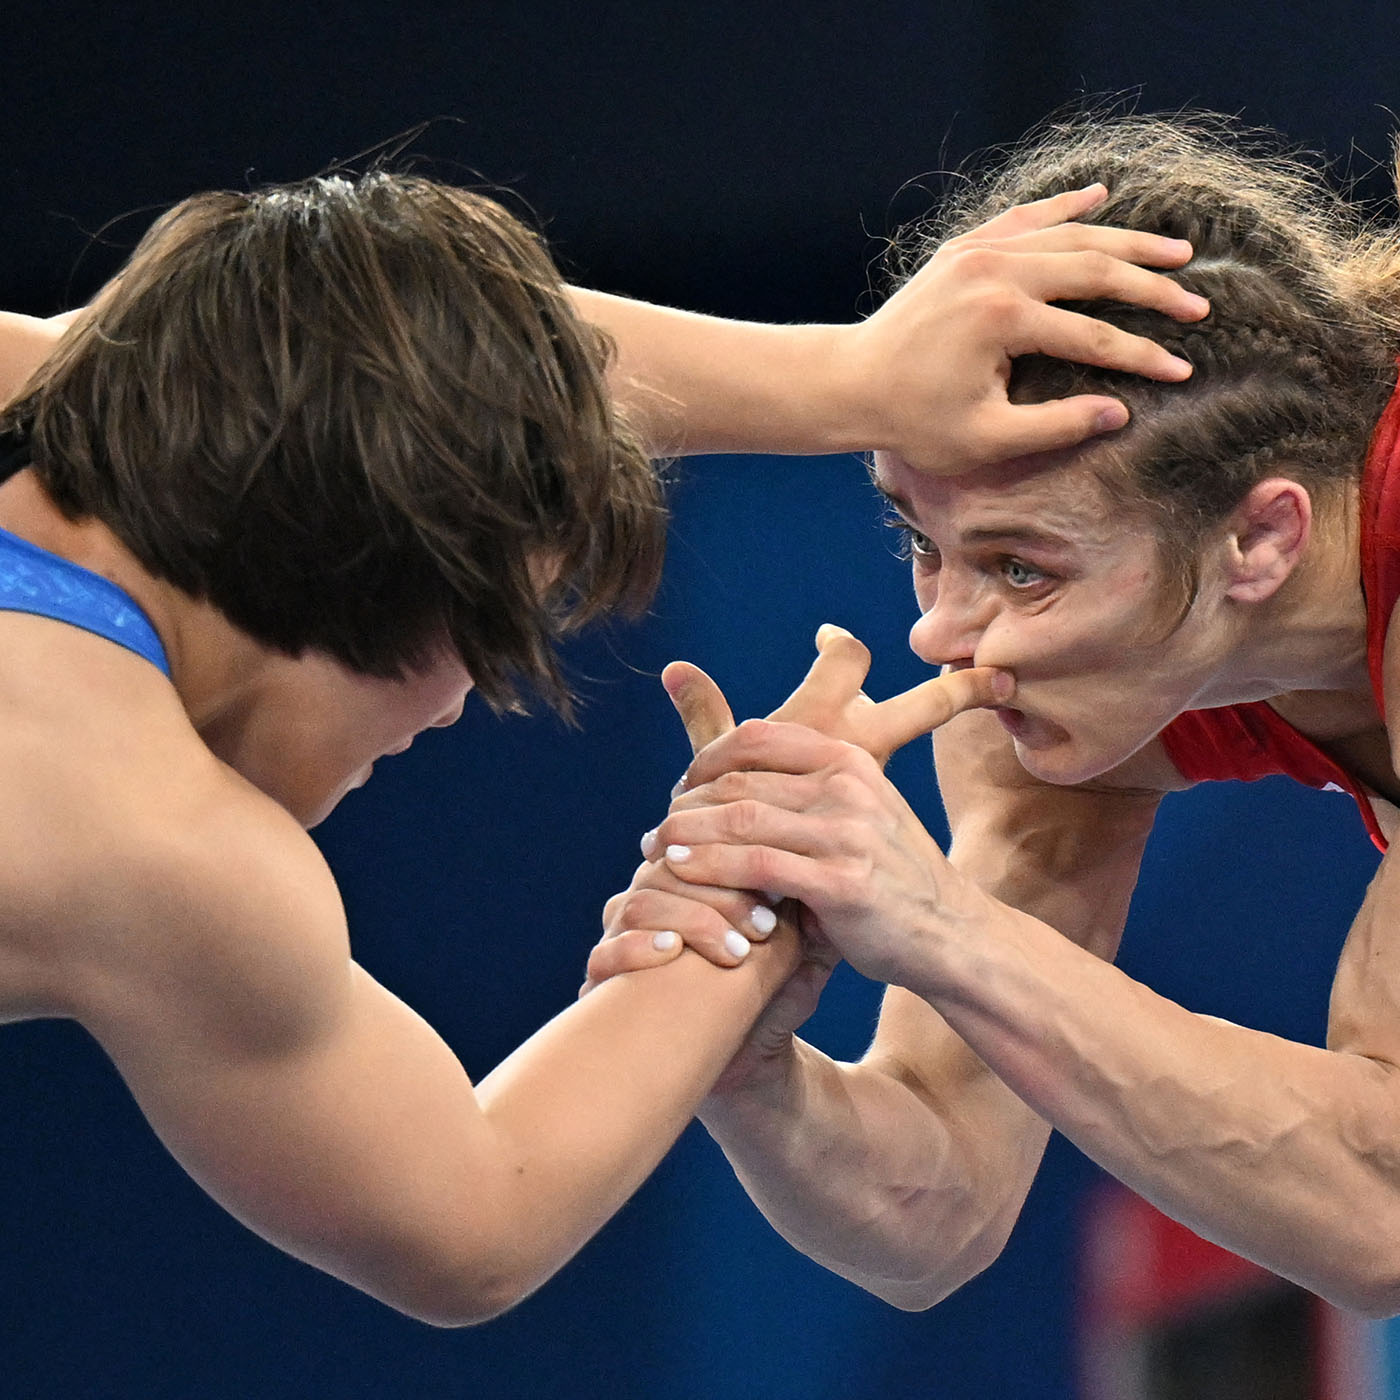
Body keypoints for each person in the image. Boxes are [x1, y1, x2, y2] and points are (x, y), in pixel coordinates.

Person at [0, 168, 1202, 1322]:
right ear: (366, 569)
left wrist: (850, 374)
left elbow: (319, 338)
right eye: (480, 637)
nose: (453, 708)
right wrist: (750, 865)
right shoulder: (148, 847)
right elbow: (474, 1219)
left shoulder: (75, 391)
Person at [591, 111, 1400, 1318]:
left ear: (1259, 538)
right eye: (923, 544)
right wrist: (744, 1055)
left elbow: (1378, 1208)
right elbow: (936, 1204)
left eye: (1020, 567)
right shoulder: (1036, 706)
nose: (938, 632)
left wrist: (935, 923)